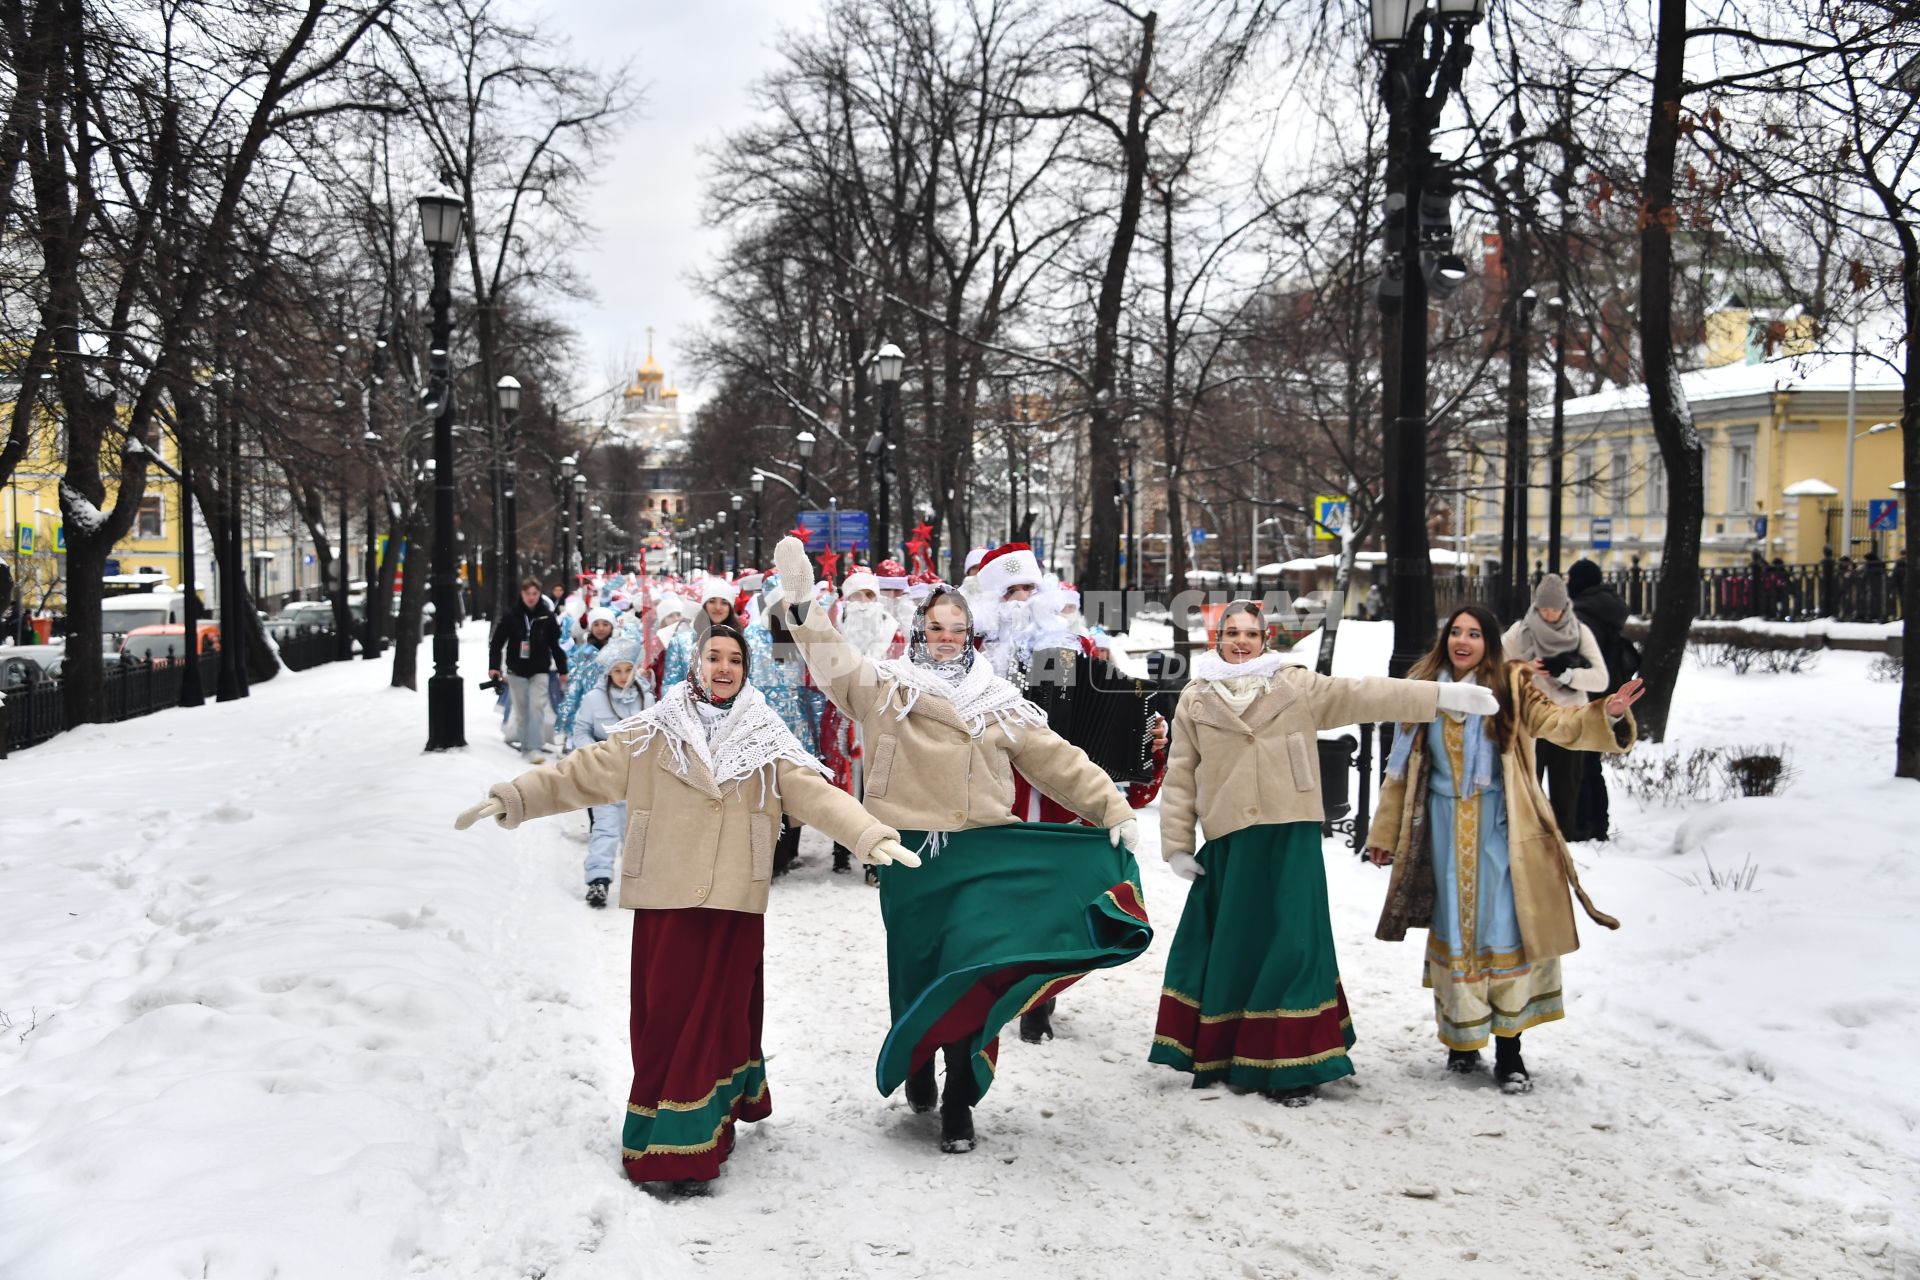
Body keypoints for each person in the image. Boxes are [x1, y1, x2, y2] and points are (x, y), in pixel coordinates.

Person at [454, 625, 920, 1194]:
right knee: (668, 1021)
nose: (724, 668)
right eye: (714, 657)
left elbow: (816, 795)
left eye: (735, 660)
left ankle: (696, 1146)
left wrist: (871, 835)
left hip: (732, 903)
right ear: (694, 664)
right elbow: (581, 773)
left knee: (717, 1019)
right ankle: (661, 1135)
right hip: (667, 895)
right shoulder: (652, 733)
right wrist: (515, 796)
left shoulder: (765, 738)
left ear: (746, 671)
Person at [772, 536, 1150, 1156]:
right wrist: (803, 606)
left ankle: (957, 1099)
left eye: (957, 629)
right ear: (919, 630)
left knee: (970, 972)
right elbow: (833, 661)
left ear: (969, 634)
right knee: (918, 967)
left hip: (981, 854)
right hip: (910, 853)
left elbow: (1058, 762)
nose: (946, 637)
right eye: (937, 627)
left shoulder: (997, 702)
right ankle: (918, 1059)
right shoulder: (884, 687)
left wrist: (1110, 806)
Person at [1151, 601, 1485, 1106]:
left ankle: (1293, 1063)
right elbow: (1179, 777)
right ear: (1216, 639)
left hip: (1290, 837)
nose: (1242, 641)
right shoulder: (1195, 699)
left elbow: (1366, 694)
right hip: (1232, 840)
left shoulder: (1296, 685)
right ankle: (1234, 1053)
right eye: (1231, 633)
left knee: (1294, 945)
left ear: (1268, 638)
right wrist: (1177, 846)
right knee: (1239, 948)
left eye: (1252, 633)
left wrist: (1441, 694)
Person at [1365, 605, 1645, 1093]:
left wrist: (1609, 713)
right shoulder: (1425, 687)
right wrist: (1385, 835)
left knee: (1502, 929)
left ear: (1489, 642)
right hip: (1443, 829)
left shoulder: (1510, 685)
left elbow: (1558, 721)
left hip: (1501, 827)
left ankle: (1509, 1050)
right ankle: (1462, 1041)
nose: (1463, 640)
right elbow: (1401, 770)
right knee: (1458, 933)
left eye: (1474, 633)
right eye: (1455, 632)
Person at [1500, 575, 1609, 838]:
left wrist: (1567, 674)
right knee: (1528, 789)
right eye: (1544, 609)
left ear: (1565, 607)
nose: (1549, 615)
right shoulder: (1520, 632)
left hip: (1568, 720)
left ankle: (1563, 844)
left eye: (1555, 609)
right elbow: (1497, 671)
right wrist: (1526, 668)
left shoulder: (1579, 631)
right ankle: (1532, 844)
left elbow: (1601, 679)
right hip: (1530, 723)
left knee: (1566, 790)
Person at [744, 579, 826, 876]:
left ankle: (790, 850)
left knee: (794, 791)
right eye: (783, 602)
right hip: (762, 729)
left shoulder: (803, 637)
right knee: (767, 792)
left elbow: (814, 687)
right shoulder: (753, 636)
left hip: (798, 728)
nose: (788, 608)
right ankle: (770, 856)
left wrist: (815, 728)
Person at [567, 636, 644, 908]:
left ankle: (639, 882)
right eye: (617, 671)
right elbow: (580, 731)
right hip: (605, 776)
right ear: (609, 671)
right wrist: (596, 752)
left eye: (628, 670)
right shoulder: (593, 699)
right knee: (606, 828)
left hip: (637, 778)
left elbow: (657, 732)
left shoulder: (647, 697)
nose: (623, 677)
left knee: (637, 830)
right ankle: (598, 880)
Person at [1567, 559, 1637, 842]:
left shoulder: (1582, 615)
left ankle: (1584, 824)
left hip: (1587, 694)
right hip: (1606, 694)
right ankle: (1598, 823)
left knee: (1580, 764)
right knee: (1590, 762)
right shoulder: (1608, 607)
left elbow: (1581, 659)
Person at [488, 577, 568, 763]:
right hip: (516, 671)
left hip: (540, 670)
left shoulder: (547, 617)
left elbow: (555, 645)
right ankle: (526, 745)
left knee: (537, 707)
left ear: (539, 594)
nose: (531, 597)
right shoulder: (511, 616)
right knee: (523, 710)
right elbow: (497, 643)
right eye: (527, 593)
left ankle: (534, 747)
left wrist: (562, 669)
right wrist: (494, 667)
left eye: (534, 593)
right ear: (521, 594)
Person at [555, 606, 619, 747]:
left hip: (612, 702)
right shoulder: (584, 652)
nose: (601, 628)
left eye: (605, 624)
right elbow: (575, 684)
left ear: (612, 626)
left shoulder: (618, 651)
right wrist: (568, 709)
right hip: (587, 702)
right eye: (596, 624)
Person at [662, 577, 737, 690]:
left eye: (724, 602)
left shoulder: (741, 642)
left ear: (730, 608)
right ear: (704, 605)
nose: (717, 607)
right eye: (712, 601)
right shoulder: (680, 643)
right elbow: (670, 686)